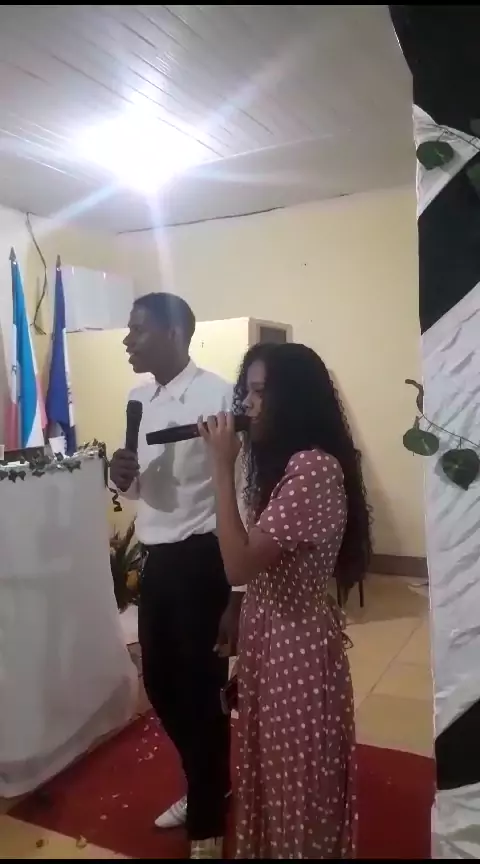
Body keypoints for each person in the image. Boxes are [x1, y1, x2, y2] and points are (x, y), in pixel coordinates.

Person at [199, 342, 372, 859]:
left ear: (292, 399)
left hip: (294, 649)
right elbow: (255, 567)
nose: (248, 405)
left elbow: (238, 563)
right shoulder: (285, 464)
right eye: (247, 392)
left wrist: (220, 468)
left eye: (260, 393)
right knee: (267, 774)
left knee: (296, 786)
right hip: (271, 638)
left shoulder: (313, 469)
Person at [110, 292, 244, 860]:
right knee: (161, 683)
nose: (127, 340)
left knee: (202, 690)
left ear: (173, 333)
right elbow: (139, 489)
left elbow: (239, 489)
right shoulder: (137, 399)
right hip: (158, 560)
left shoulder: (218, 396)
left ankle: (207, 817)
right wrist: (122, 478)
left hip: (204, 560)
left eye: (137, 330)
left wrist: (238, 593)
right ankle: (208, 781)